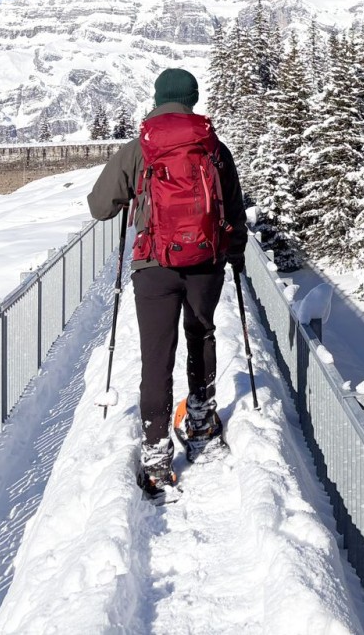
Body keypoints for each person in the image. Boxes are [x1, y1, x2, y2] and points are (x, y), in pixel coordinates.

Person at [88, 67, 248, 494]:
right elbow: (233, 210)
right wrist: (235, 254)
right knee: (202, 334)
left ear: (158, 98)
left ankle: (157, 454)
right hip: (205, 262)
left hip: (153, 267)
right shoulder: (212, 145)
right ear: (192, 98)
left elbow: (100, 207)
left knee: (156, 356)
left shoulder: (140, 147)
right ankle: (199, 420)